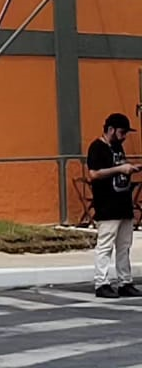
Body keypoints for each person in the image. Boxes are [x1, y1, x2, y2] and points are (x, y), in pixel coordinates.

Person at [86, 113, 138, 299]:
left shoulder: (117, 148)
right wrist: (119, 169)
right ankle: (101, 282)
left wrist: (129, 168)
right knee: (105, 245)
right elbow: (93, 174)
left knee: (124, 245)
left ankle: (125, 281)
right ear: (110, 130)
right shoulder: (97, 148)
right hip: (107, 205)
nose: (124, 137)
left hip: (123, 203)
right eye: (122, 132)